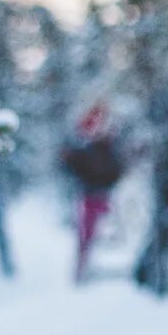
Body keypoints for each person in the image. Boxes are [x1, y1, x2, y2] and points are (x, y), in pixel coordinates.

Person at [57, 103, 126, 285]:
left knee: (108, 232)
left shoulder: (110, 149)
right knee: (87, 233)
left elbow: (116, 170)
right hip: (90, 195)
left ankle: (100, 266)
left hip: (105, 195)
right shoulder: (86, 150)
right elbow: (72, 166)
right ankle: (82, 269)